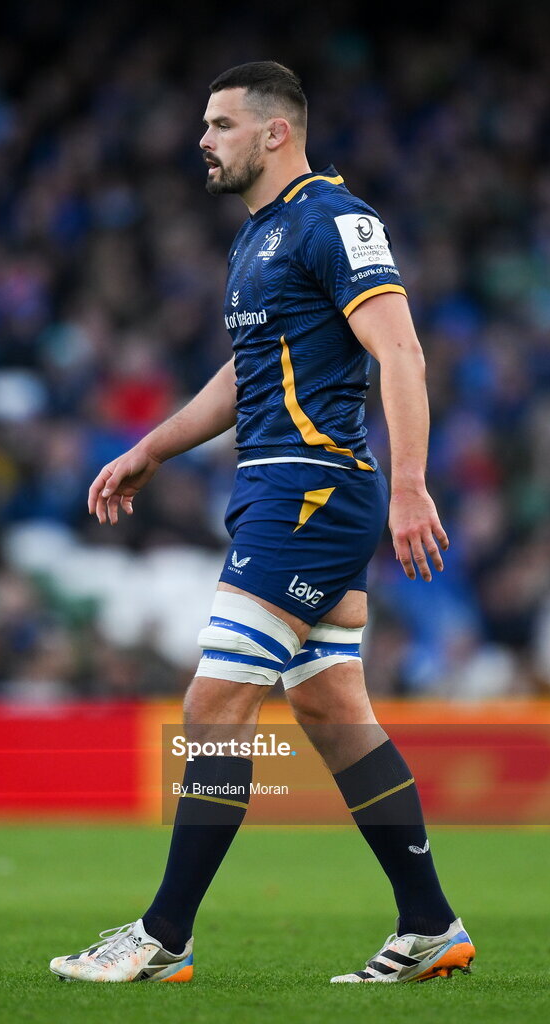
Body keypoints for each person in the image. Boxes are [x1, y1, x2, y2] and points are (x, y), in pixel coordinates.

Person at [50, 61, 475, 985]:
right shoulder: (257, 239)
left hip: (310, 491)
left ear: (275, 132)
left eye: (220, 123)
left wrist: (412, 486)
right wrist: (152, 447)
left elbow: (398, 348)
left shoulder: (333, 220)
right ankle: (430, 925)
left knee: (213, 703)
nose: (202, 140)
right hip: (276, 488)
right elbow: (245, 377)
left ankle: (163, 935)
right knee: (330, 708)